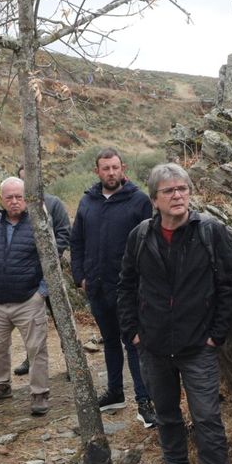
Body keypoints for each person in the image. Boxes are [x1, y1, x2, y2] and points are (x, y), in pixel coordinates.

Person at [117, 164, 232, 464]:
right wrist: (133, 333)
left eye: (183, 189)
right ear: (154, 199)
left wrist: (215, 336)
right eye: (169, 191)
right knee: (166, 415)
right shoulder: (140, 236)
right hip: (153, 347)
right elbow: (126, 285)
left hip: (197, 347)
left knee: (206, 419)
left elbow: (229, 286)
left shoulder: (210, 232)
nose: (178, 196)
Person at [71, 148, 155, 427]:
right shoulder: (87, 201)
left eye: (115, 167)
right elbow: (77, 240)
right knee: (109, 342)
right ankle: (115, 392)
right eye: (105, 168)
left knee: (133, 343)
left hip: (128, 290)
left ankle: (145, 402)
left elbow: (149, 244)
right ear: (97, 171)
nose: (110, 173)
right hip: (96, 286)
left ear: (123, 168)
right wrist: (79, 275)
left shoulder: (139, 200)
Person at [0, 177, 52, 416]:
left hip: (28, 299)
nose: (14, 201)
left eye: (19, 196)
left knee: (36, 348)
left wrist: (42, 293)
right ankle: (1, 384)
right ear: (2, 199)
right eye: (9, 197)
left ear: (26, 198)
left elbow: (49, 260)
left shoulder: (38, 224)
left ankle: (39, 392)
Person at [12, 169, 70, 379]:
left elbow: (64, 232)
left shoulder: (54, 204)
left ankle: (71, 360)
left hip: (51, 273)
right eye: (22, 177)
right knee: (29, 320)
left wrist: (50, 256)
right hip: (26, 275)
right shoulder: (17, 209)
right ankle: (31, 357)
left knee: (61, 318)